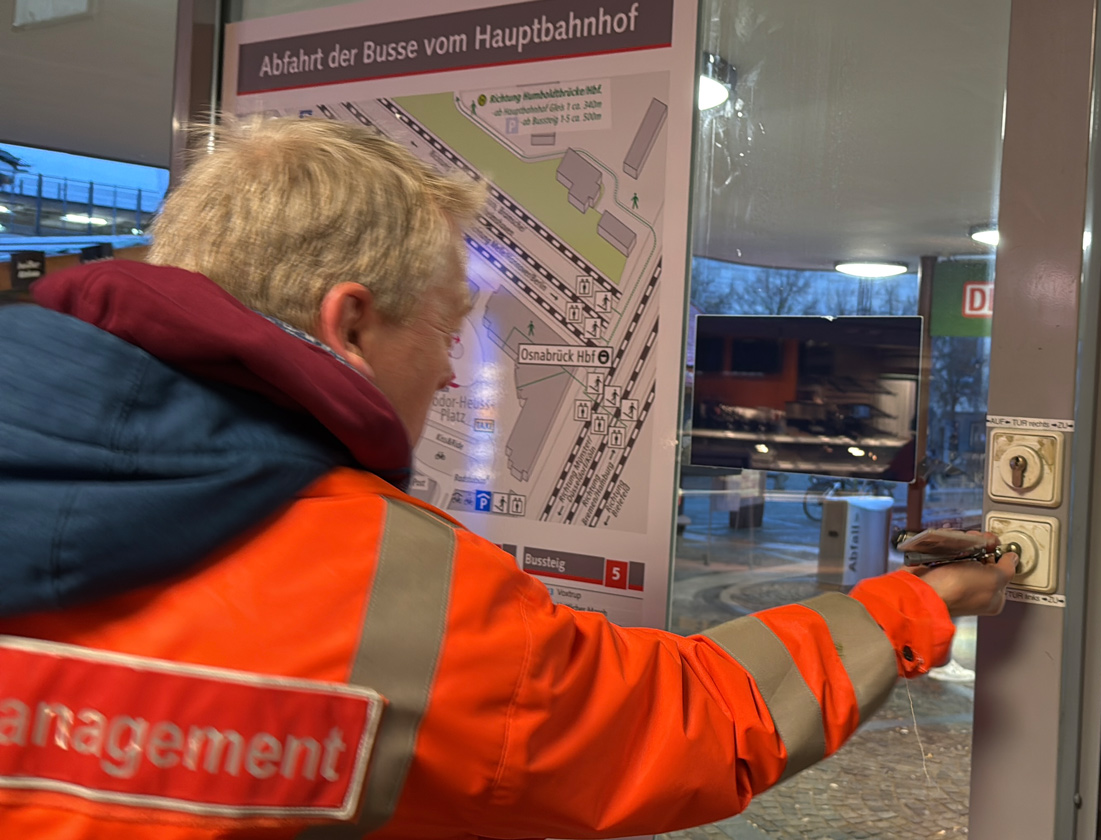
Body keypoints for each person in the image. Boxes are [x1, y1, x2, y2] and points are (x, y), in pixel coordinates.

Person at [0, 117, 1016, 838]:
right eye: (444, 328)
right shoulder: (386, 588)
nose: (450, 369)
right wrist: (917, 605)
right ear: (348, 323)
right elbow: (686, 725)